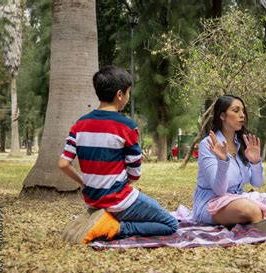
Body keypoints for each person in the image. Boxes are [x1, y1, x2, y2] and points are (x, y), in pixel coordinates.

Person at [58, 66, 178, 244]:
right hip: (119, 200)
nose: (128, 98)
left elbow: (63, 164)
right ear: (120, 95)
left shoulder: (80, 124)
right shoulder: (126, 126)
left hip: (92, 199)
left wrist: (84, 182)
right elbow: (135, 174)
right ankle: (115, 227)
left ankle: (103, 219)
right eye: (128, 93)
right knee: (170, 224)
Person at [192, 95, 266, 233]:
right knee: (248, 208)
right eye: (236, 110)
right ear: (222, 115)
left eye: (243, 111)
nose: (242, 115)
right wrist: (223, 161)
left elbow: (257, 183)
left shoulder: (242, 143)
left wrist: (255, 162)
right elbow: (219, 191)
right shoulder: (208, 145)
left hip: (241, 197)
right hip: (213, 203)